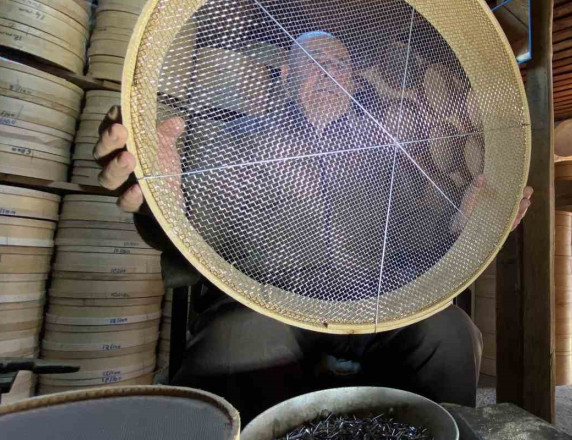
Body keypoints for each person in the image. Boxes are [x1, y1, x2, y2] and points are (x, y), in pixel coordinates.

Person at [94, 31, 532, 423]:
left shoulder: (379, 157)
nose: (330, 71)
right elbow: (184, 220)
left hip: (370, 309)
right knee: (237, 342)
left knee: (450, 331)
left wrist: (465, 228)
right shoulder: (231, 139)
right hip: (265, 303)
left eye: (340, 64)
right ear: (285, 76)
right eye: (315, 61)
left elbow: (413, 244)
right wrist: (156, 200)